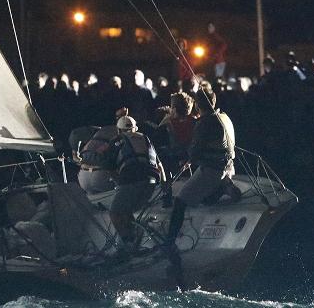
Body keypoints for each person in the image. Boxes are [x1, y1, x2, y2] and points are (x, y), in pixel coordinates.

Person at [165, 88, 240, 247]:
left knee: (180, 201)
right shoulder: (224, 117)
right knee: (204, 200)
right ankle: (223, 186)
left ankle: (169, 242)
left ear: (198, 106)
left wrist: (185, 158)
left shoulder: (205, 123)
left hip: (212, 169)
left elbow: (195, 151)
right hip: (229, 166)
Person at [106, 115, 161, 250]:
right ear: (136, 128)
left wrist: (120, 184)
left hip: (131, 178)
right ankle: (135, 242)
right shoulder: (145, 138)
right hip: (152, 181)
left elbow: (109, 168)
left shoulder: (117, 140)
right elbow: (159, 165)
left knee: (115, 212)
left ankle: (128, 244)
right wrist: (164, 185)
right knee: (127, 210)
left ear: (118, 131)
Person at [73, 107, 129, 194]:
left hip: (83, 177)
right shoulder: (124, 135)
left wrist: (74, 152)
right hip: (102, 176)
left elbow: (75, 134)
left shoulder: (100, 130)